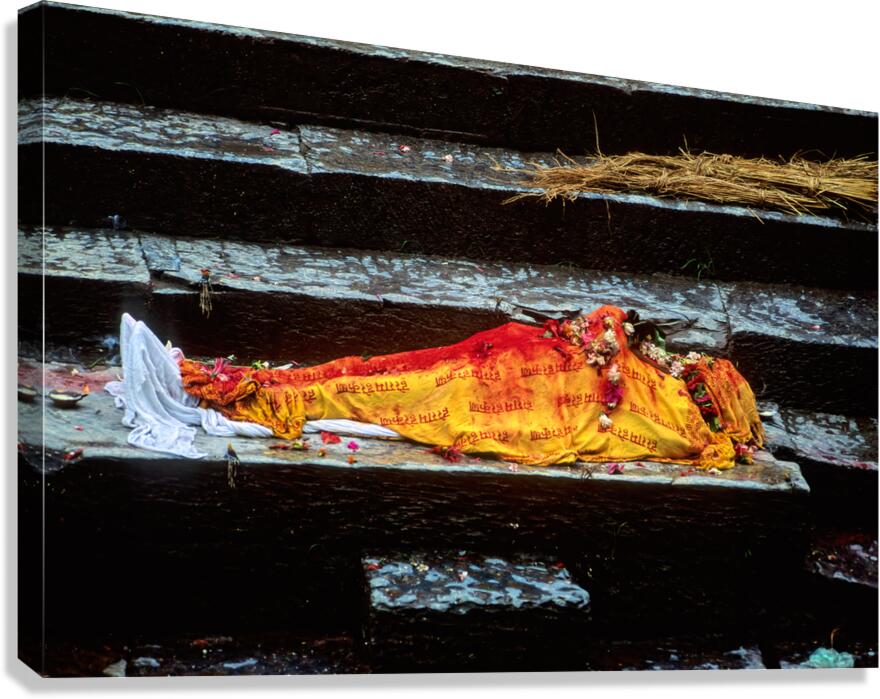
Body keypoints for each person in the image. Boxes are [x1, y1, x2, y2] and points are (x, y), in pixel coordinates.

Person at [111, 304, 761, 469]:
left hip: (497, 394)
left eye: (703, 370)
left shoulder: (673, 418)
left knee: (380, 388)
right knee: (380, 374)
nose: (694, 363)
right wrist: (598, 337)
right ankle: (254, 386)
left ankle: (253, 390)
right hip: (497, 363)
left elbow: (597, 418)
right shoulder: (653, 379)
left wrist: (600, 351)